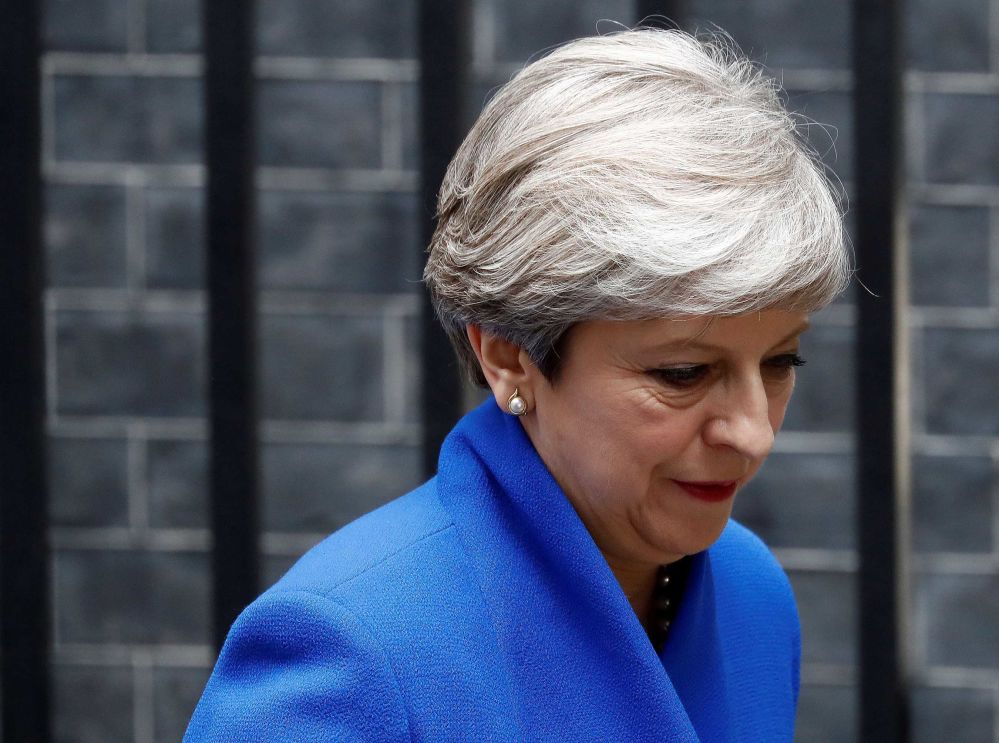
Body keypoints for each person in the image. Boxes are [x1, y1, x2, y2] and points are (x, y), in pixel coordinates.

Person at [185, 27, 849, 742]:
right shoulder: (352, 651)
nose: (752, 431)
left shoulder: (751, 593)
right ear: (508, 355)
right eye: (683, 373)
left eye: (781, 361)